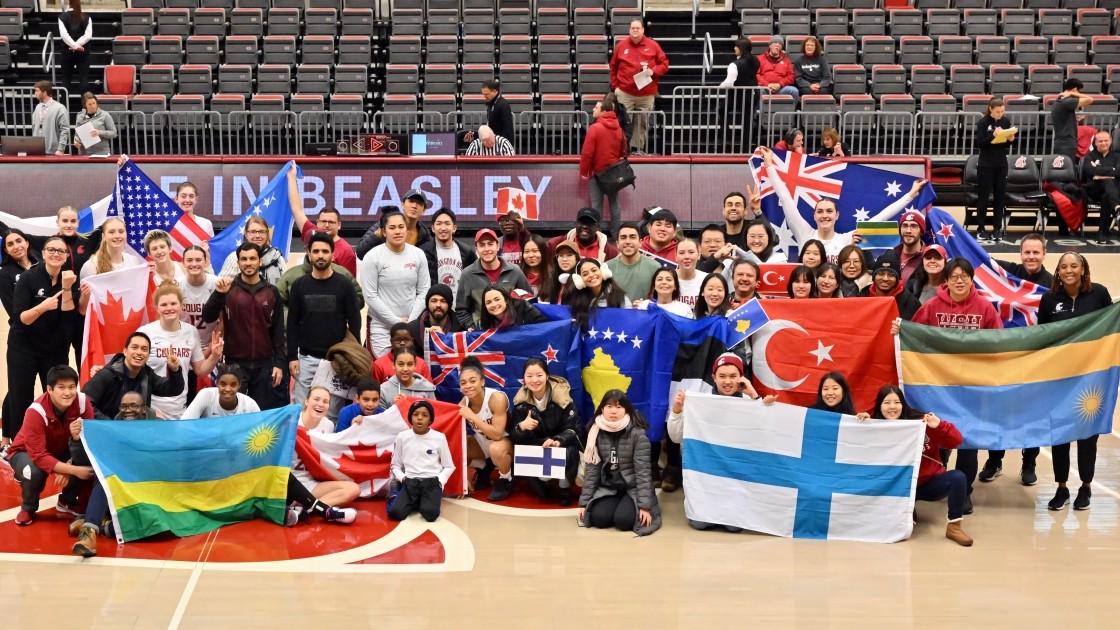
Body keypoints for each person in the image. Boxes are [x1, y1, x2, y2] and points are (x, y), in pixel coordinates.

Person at [903, 258, 1002, 513]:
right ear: (945, 280)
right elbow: (914, 335)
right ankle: (943, 482)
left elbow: (1000, 342)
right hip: (939, 389)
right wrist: (900, 329)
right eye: (954, 276)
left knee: (968, 441)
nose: (960, 281)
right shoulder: (932, 306)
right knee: (941, 436)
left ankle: (965, 490)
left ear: (971, 279)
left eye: (965, 276)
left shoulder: (985, 308)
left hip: (973, 390)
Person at [1038, 252, 1113, 510]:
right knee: (1059, 435)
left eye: (1074, 266)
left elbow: (1110, 330)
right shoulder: (1048, 299)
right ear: (1057, 271)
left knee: (1087, 436)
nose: (1069, 270)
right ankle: (1061, 488)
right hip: (1058, 380)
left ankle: (1086, 487)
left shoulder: (1099, 294)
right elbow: (1041, 337)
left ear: (1083, 269)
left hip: (1090, 380)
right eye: (1064, 267)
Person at [760, 146, 927, 261]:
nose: (824, 215)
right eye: (820, 211)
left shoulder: (847, 239)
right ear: (814, 215)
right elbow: (785, 197)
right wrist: (769, 164)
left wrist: (910, 195)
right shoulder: (804, 233)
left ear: (836, 215)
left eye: (829, 211)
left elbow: (881, 217)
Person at [667, 354, 774, 531]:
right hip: (706, 475)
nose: (727, 382)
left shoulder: (750, 402)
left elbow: (766, 438)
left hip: (736, 476)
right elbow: (676, 437)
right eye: (722, 376)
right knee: (700, 523)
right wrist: (677, 411)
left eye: (733, 376)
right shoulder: (699, 402)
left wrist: (756, 398)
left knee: (733, 527)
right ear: (713, 377)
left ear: (741, 377)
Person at [872, 385, 972, 546]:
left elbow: (956, 440)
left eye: (896, 402)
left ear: (903, 404)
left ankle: (954, 526)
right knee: (903, 528)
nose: (892, 407)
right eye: (886, 402)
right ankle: (908, 511)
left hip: (926, 484)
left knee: (958, 478)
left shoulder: (920, 422)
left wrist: (939, 425)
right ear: (879, 406)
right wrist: (861, 423)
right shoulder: (874, 428)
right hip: (897, 489)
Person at [7, 236, 80, 442]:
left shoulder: (70, 279)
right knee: (20, 397)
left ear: (66, 256)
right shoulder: (29, 278)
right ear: (44, 253)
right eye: (51, 250)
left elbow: (69, 318)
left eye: (61, 251)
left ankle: (55, 441)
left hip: (54, 348)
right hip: (23, 348)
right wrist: (42, 307)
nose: (56, 254)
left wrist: (66, 289)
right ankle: (18, 445)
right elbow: (21, 319)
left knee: (56, 397)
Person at [67, 391, 154, 556]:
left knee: (152, 524)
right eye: (124, 406)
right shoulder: (110, 430)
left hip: (147, 491)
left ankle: (97, 524)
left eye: (134, 406)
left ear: (144, 409)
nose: (128, 410)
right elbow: (85, 459)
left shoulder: (159, 428)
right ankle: (88, 534)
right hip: (118, 492)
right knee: (104, 478)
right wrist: (76, 439)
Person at [202, 242, 288, 410]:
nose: (248, 263)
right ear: (238, 262)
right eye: (244, 259)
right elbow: (208, 317)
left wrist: (279, 363)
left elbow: (278, 331)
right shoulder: (228, 288)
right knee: (233, 411)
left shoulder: (271, 291)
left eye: (252, 259)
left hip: (265, 364)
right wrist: (219, 294)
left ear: (260, 262)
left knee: (261, 412)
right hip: (235, 363)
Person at [6, 365, 94, 526]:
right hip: (26, 453)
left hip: (62, 449)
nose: (68, 393)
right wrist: (73, 470)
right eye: (61, 387)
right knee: (34, 471)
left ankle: (67, 501)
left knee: (89, 462)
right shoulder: (35, 411)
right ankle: (28, 507)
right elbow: (39, 456)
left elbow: (90, 439)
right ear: (49, 389)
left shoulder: (82, 401)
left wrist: (71, 463)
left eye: (72, 387)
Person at [288, 232, 363, 402]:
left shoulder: (345, 285)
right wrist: (293, 356)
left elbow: (355, 323)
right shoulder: (299, 285)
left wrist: (351, 356)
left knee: (333, 413)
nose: (320, 255)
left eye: (325, 251)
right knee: (301, 409)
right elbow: (292, 324)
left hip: (336, 361)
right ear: (309, 254)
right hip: (306, 359)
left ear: (332, 254)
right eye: (316, 251)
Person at [578, 389, 661, 536]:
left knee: (623, 521)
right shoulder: (595, 433)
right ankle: (616, 505)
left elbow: (643, 473)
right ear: (602, 409)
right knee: (598, 519)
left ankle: (626, 506)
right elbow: (592, 472)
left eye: (618, 407)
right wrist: (584, 503)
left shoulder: (638, 435)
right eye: (609, 406)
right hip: (609, 488)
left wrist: (645, 507)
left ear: (626, 410)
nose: (613, 411)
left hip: (632, 489)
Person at [138, 282, 224, 419]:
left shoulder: (191, 331)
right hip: (150, 409)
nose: (169, 308)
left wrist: (214, 355)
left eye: (173, 304)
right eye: (164, 305)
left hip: (180, 409)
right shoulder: (144, 333)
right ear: (156, 308)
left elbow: (200, 370)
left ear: (181, 306)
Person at [509, 359, 582, 506]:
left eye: (539, 375)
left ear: (547, 376)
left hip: (563, 444)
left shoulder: (563, 399)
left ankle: (564, 488)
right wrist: (522, 427)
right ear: (524, 379)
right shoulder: (520, 403)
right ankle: (544, 482)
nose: (534, 380)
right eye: (529, 376)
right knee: (543, 479)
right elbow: (514, 437)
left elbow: (574, 428)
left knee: (569, 452)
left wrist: (558, 440)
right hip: (539, 447)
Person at [361, 210, 430, 357]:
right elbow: (370, 296)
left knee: (409, 370)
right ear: (384, 232)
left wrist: (410, 322)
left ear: (407, 229)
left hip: (411, 324)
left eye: (401, 227)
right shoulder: (372, 257)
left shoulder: (418, 255)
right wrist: (396, 321)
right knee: (383, 370)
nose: (397, 231)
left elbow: (424, 291)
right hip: (381, 325)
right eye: (392, 228)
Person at [83, 331, 185, 419]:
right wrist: (109, 424)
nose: (139, 352)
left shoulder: (147, 374)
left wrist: (174, 370)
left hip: (137, 431)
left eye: (144, 349)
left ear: (148, 355)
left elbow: (173, 389)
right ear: (125, 351)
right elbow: (85, 403)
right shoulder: (106, 375)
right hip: (108, 431)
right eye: (135, 348)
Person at [289, 387, 362, 509]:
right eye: (316, 399)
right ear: (307, 401)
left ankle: (306, 510)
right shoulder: (291, 422)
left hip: (313, 483)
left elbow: (337, 448)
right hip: (291, 484)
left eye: (325, 401)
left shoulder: (328, 425)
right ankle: (310, 506)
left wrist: (354, 428)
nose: (320, 404)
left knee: (354, 489)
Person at [0, 229, 38, 451]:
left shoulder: (41, 264)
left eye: (19, 241)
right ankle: (11, 441)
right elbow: (14, 311)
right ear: (5, 250)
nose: (16, 246)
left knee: (19, 389)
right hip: (22, 340)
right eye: (10, 244)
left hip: (47, 341)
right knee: (17, 390)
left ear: (26, 241)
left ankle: (10, 439)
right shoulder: (5, 274)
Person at [388, 400, 455, 522]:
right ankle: (414, 498)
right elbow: (395, 465)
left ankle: (422, 500)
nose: (419, 418)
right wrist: (403, 479)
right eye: (416, 414)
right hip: (410, 481)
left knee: (430, 515)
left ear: (430, 420)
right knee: (395, 513)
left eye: (424, 415)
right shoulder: (402, 437)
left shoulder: (439, 437)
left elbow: (449, 466)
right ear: (410, 418)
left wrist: (439, 481)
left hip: (431, 481)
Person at [458, 357, 514, 501]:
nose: (468, 385)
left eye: (472, 381)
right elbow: (451, 425)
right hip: (482, 442)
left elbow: (497, 434)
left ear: (482, 382)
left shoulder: (496, 398)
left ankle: (505, 479)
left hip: (505, 441)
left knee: (495, 448)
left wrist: (474, 417)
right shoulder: (464, 402)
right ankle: (483, 466)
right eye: (463, 383)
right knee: (457, 447)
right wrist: (461, 479)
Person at [609, 19, 668, 154]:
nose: (635, 30)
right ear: (629, 30)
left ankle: (637, 150)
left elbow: (664, 64)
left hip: (646, 94)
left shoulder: (653, 45)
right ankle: (623, 149)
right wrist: (615, 86)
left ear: (643, 30)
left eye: (637, 28)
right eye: (632, 28)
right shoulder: (621, 46)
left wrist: (654, 71)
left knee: (642, 123)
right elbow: (613, 67)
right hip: (625, 93)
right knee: (623, 122)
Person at [287, 168, 358, 276]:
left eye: (331, 222)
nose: (327, 225)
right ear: (317, 222)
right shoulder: (311, 233)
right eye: (323, 221)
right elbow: (297, 210)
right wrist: (291, 177)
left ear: (339, 225)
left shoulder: (346, 251)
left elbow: (349, 281)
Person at [455, 228, 531, 329]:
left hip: (512, 333)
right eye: (482, 245)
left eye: (490, 244)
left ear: (498, 246)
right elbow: (461, 309)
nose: (487, 249)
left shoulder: (515, 271)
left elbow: (529, 301)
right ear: (476, 249)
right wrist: (472, 328)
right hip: (483, 336)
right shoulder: (467, 274)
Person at [582, 95, 628, 238]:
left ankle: (598, 234)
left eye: (596, 107)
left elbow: (587, 153)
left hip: (598, 172)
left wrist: (584, 171)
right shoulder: (619, 129)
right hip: (614, 172)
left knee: (596, 204)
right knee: (614, 203)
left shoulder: (595, 128)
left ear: (604, 111)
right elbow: (624, 150)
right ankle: (616, 233)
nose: (593, 109)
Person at [974, 97, 1016, 242]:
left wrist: (1010, 139)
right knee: (984, 197)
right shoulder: (983, 123)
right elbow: (980, 143)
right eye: (998, 111)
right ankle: (980, 228)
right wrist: (992, 135)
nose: (1000, 114)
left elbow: (1005, 145)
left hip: (1001, 164)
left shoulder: (1005, 121)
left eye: (1002, 111)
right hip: (986, 165)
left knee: (1000, 197)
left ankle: (997, 228)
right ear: (990, 109)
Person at [420, 208, 477, 304]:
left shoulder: (467, 252)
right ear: (433, 228)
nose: (443, 228)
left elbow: (474, 284)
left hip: (460, 310)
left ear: (454, 228)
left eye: (447, 223)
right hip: (434, 310)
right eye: (439, 224)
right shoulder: (423, 253)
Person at [217, 216, 285, 285]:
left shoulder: (277, 258)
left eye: (262, 232)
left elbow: (284, 287)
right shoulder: (234, 257)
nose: (257, 235)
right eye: (253, 232)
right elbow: (221, 286)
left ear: (267, 234)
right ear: (246, 234)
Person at [718, 38, 760, 151]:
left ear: (741, 48)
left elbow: (729, 83)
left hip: (738, 94)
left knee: (721, 109)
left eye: (736, 46)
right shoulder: (756, 60)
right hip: (752, 94)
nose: (734, 48)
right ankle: (746, 147)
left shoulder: (734, 64)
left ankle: (726, 137)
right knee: (748, 120)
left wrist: (719, 87)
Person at [1080, 130, 1120, 245]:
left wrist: (1100, 173)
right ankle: (1117, 208)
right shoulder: (1089, 157)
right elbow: (1090, 171)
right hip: (1094, 189)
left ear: (1111, 141)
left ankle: (1102, 231)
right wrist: (1111, 172)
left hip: (1113, 191)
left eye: (1106, 140)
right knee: (1108, 182)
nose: (1103, 143)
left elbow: (1119, 172)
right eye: (1100, 141)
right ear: (1095, 142)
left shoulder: (1117, 157)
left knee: (1106, 196)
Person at [181, 363, 261, 419]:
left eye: (233, 385)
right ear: (217, 383)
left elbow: (260, 431)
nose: (228, 389)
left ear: (239, 385)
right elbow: (185, 423)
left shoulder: (250, 404)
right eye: (223, 384)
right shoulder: (205, 395)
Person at [606, 222, 660, 301]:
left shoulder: (655, 267)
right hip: (616, 312)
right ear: (617, 244)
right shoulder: (607, 267)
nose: (628, 241)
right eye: (623, 237)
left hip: (643, 313)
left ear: (640, 242)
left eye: (632, 237)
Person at [79, 217, 144, 280]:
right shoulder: (90, 266)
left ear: (126, 234)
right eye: (111, 232)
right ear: (103, 236)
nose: (117, 236)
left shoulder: (134, 261)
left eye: (121, 232)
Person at [547, 207, 619, 262]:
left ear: (598, 227)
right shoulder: (558, 243)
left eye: (589, 223)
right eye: (581, 222)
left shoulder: (609, 251)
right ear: (576, 224)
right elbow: (538, 251)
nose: (584, 226)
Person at [863, 252, 921, 320]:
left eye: (891, 275)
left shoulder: (911, 303)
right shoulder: (862, 297)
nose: (885, 279)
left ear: (898, 279)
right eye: (881, 274)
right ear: (873, 277)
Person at [406, 284, 462, 350]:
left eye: (443, 301)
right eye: (434, 301)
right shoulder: (412, 329)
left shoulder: (461, 329)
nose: (438, 305)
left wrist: (443, 339)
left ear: (449, 305)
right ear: (427, 304)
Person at [1051, 78, 1095, 162]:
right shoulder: (1066, 101)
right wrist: (1072, 93)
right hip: (1067, 142)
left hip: (1061, 142)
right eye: (1079, 91)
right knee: (1068, 169)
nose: (1079, 93)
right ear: (1075, 89)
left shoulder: (1059, 101)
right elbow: (1090, 99)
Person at [58, 0, 92, 97]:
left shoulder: (62, 17)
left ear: (69, 3)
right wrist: (77, 46)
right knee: (84, 80)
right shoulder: (87, 17)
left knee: (66, 80)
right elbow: (88, 36)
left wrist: (73, 46)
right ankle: (85, 108)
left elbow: (64, 35)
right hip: (83, 52)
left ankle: (64, 107)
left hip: (67, 52)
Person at [478, 284, 549, 331]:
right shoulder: (485, 322)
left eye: (497, 299)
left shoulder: (523, 307)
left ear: (506, 300)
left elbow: (547, 326)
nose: (493, 304)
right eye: (488, 302)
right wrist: (471, 333)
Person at [31, 80, 69, 156]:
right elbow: (34, 126)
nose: (35, 93)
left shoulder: (60, 108)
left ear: (44, 92)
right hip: (37, 150)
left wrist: (60, 149)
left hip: (53, 152)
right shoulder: (38, 107)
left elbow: (64, 130)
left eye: (37, 91)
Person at [539, 239, 579, 304]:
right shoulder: (552, 279)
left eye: (569, 255)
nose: (564, 259)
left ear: (576, 258)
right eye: (561, 255)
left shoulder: (581, 282)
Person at [894, 210, 926, 288]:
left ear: (921, 231)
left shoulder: (928, 258)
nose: (908, 231)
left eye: (914, 226)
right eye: (904, 226)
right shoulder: (891, 254)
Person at [482, 79, 515, 146]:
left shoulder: (503, 105)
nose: (484, 97)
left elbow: (508, 128)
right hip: (494, 142)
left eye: (486, 94)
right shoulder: (492, 103)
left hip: (501, 144)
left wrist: (505, 145)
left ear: (494, 91)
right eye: (483, 94)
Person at [674, 238, 704, 307]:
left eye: (691, 252)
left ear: (699, 254)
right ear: (676, 256)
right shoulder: (667, 280)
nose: (686, 257)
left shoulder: (707, 279)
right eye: (681, 253)